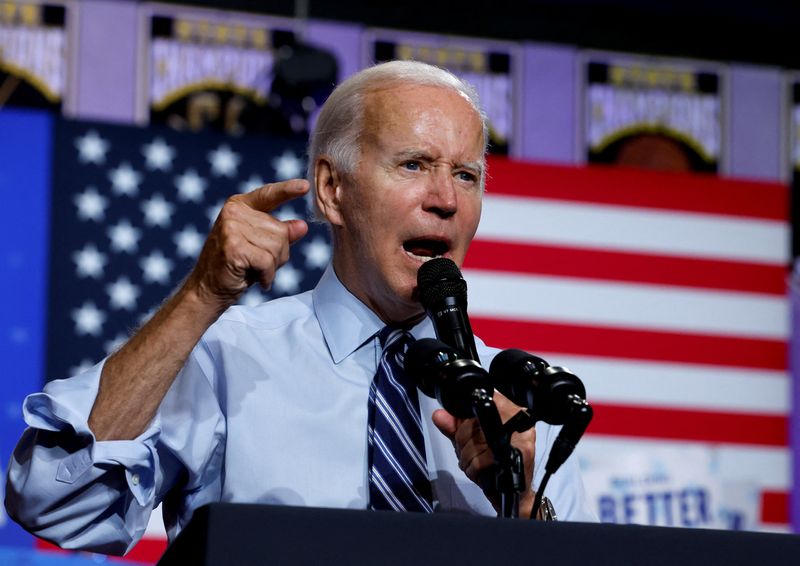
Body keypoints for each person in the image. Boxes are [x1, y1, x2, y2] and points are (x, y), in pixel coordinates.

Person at [5, 60, 596, 555]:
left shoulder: (518, 404)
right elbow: (53, 501)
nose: (444, 199)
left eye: (465, 175)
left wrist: (520, 503)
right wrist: (201, 296)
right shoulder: (228, 354)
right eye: (414, 164)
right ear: (332, 190)